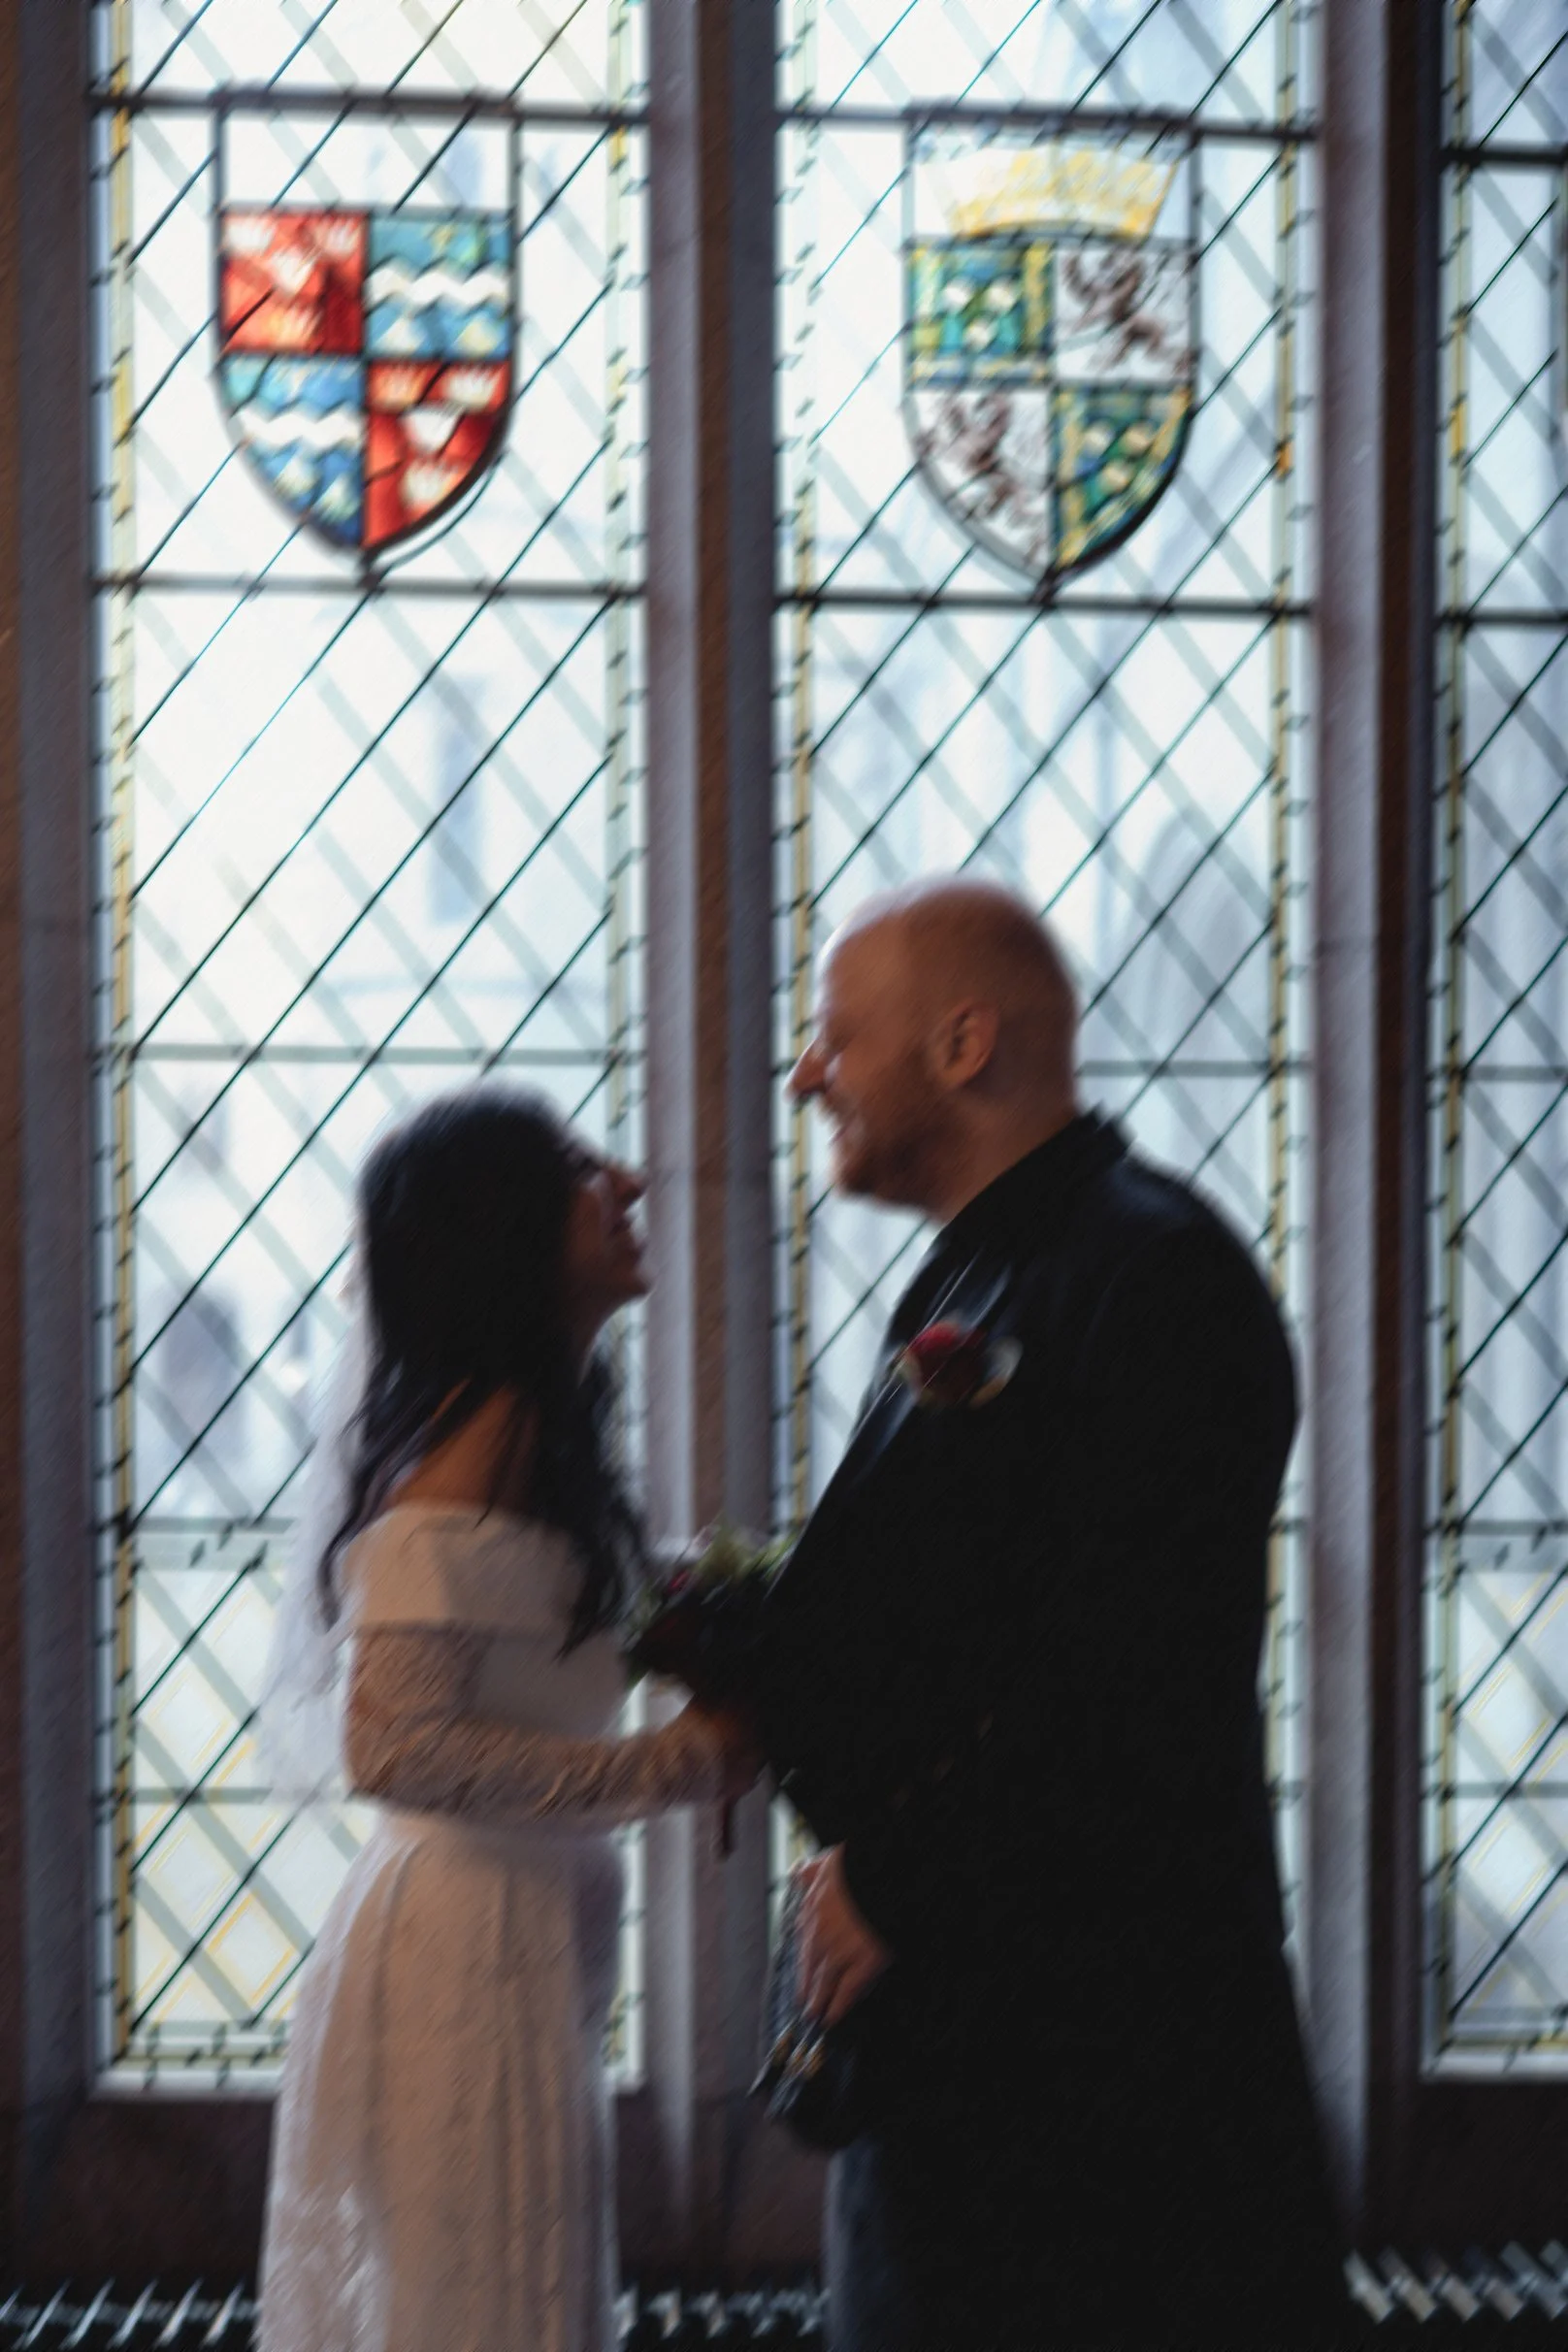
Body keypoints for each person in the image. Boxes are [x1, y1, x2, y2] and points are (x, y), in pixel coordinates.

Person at [754, 877, 1349, 2350]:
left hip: (1102, 2111)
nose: (806, 1073)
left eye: (837, 1036)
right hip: (967, 2071)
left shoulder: (1155, 1277)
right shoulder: (987, 1266)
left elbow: (1131, 1684)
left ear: (966, 1044)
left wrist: (890, 1875)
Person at [256, 1088, 756, 2352]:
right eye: (589, 1175)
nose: (633, 1184)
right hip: (460, 1965)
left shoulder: (535, 1448)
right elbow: (397, 1747)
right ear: (509, 1237)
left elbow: (536, 1655)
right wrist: (678, 1764)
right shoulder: (456, 1475)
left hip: (523, 1951)